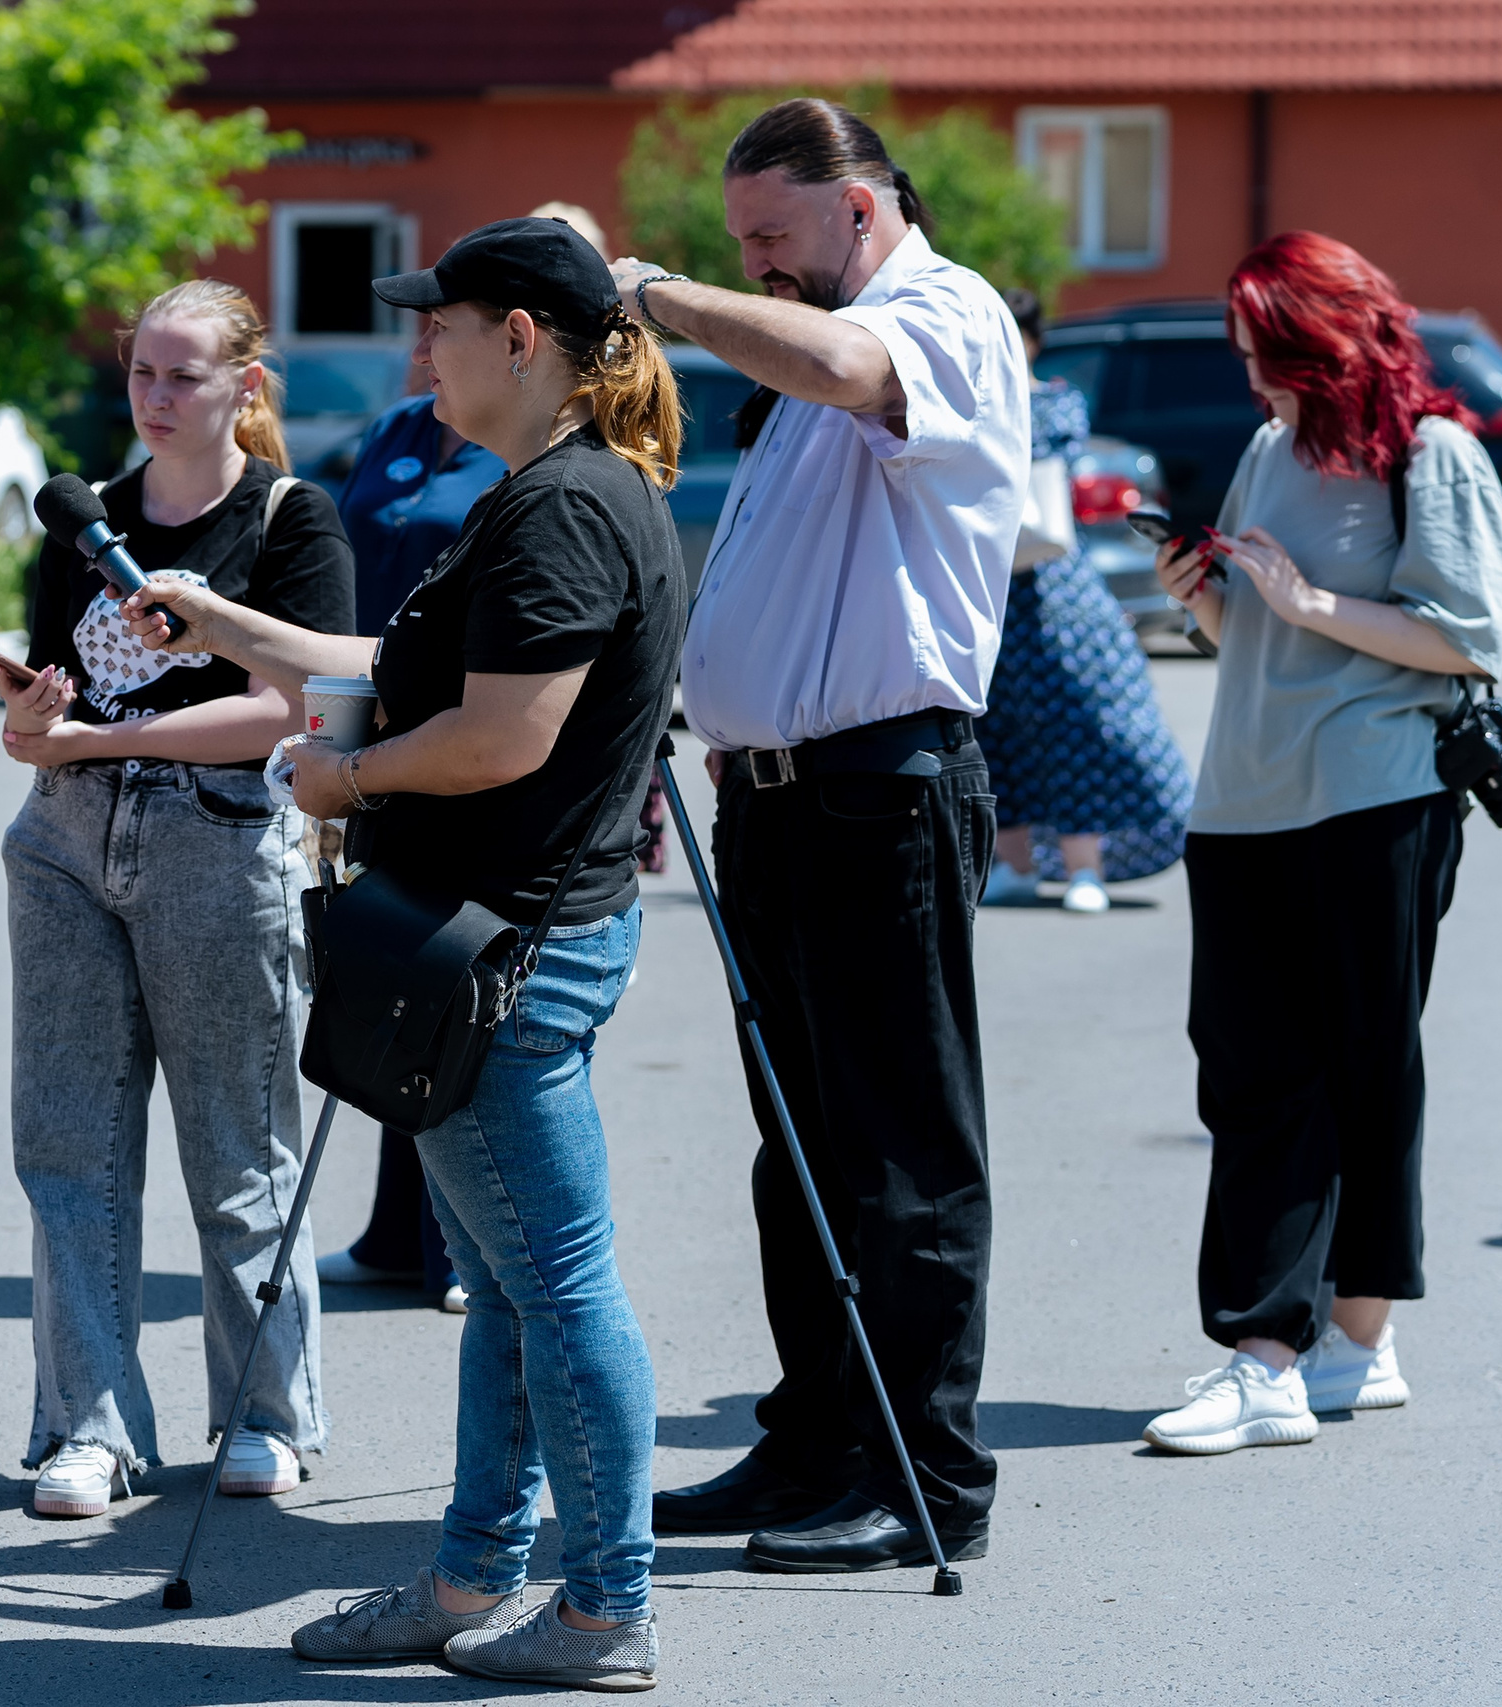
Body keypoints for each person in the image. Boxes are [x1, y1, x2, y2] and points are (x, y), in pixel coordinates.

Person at [123, 216, 683, 1692]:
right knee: (515, 1286)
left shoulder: (563, 505)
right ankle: (471, 1572)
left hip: (498, 949)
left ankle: (603, 1601)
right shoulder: (552, 491)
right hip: (503, 937)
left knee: (557, 1285)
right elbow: (403, 668)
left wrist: (342, 784)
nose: (417, 342)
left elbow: (505, 734)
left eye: (443, 321)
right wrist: (227, 615)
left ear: (524, 339)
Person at [606, 97, 1025, 1573]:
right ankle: (819, 1438)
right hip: (782, 795)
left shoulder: (939, 311)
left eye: (771, 238)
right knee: (801, 1151)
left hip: (879, 786)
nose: (757, 270)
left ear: (859, 207)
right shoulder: (814, 336)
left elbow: (852, 370)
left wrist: (654, 294)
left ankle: (924, 1473)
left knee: (902, 1147)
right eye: (738, 246)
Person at [0, 279, 351, 1517]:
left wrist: (80, 743)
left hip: (216, 840)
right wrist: (33, 714)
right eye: (141, 371)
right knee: (68, 1149)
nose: (153, 397)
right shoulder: (88, 520)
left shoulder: (292, 520)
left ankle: (264, 1412)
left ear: (248, 386)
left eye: (181, 375)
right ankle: (87, 1427)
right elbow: (61, 694)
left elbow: (279, 710)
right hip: (67, 846)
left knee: (237, 1145)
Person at [1140, 232, 1502, 1455]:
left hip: (1371, 794)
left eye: (1273, 358)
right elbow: (1246, 628)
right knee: (1250, 1075)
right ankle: (1345, 1349)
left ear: (1331, 341)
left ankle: (1282, 1355)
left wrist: (1312, 607)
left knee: (1360, 1069)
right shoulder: (1268, 448)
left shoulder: (1432, 455)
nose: (1257, 383)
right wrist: (1203, 591)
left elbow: (1465, 637)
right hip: (1245, 795)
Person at [316, 302, 507, 1312]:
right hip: (366, 727)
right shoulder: (396, 431)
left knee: (454, 985)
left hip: (457, 741)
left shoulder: (520, 448)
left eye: (444, 328)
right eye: (419, 329)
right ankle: (398, 1234)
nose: (424, 346)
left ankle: (461, 1246)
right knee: (385, 970)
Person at [979, 288, 1193, 913]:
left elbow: (1048, 446)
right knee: (995, 726)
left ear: (1033, 341)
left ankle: (1084, 869)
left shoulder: (1052, 401)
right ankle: (1013, 864)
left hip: (1050, 587)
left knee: (1075, 721)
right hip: (990, 585)